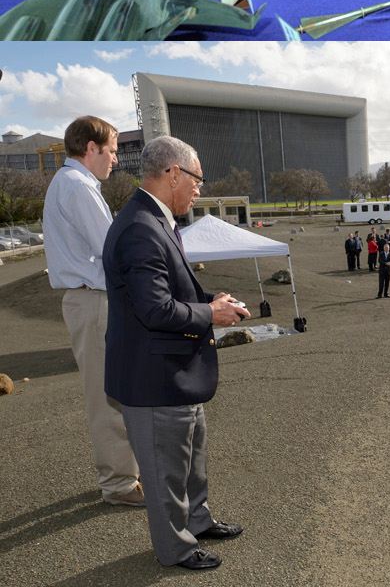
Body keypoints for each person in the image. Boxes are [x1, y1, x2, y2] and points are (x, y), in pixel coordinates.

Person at [102, 135, 247, 571]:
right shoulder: (140, 228)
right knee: (167, 470)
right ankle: (176, 548)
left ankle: (197, 520)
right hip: (154, 379)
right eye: (198, 180)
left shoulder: (155, 219)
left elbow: (170, 288)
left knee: (190, 458)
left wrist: (208, 298)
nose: (200, 189)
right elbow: (155, 309)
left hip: (174, 373)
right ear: (173, 174)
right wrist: (210, 313)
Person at [42, 116, 144, 508]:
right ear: (91, 148)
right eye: (112, 151)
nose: (116, 160)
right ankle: (119, 484)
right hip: (93, 298)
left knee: (110, 391)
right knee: (108, 395)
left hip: (89, 297)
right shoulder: (77, 186)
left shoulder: (71, 184)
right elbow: (112, 247)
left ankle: (122, 477)